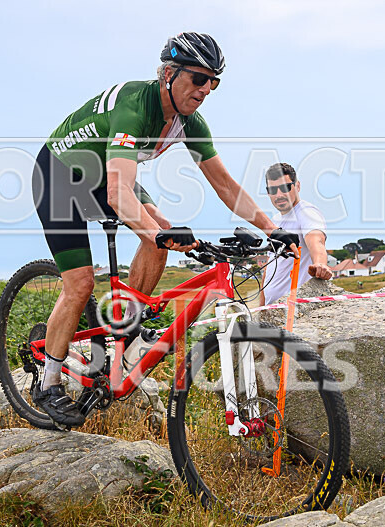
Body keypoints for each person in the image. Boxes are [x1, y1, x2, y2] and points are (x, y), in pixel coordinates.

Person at [31, 32, 298, 427]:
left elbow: (225, 185)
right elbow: (121, 192)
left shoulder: (189, 121)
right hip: (59, 177)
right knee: (82, 284)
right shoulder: (134, 110)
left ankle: (127, 330)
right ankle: (49, 384)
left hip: (103, 175)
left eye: (214, 82)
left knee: (161, 233)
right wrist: (151, 232)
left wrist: (272, 229)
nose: (206, 89)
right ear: (169, 75)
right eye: (198, 79)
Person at [259, 163, 332, 306]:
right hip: (271, 310)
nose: (279, 194)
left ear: (297, 186)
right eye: (273, 190)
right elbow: (271, 266)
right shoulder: (275, 221)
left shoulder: (307, 213)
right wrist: (261, 307)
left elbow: (316, 241)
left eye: (285, 187)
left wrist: (320, 264)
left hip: (294, 310)